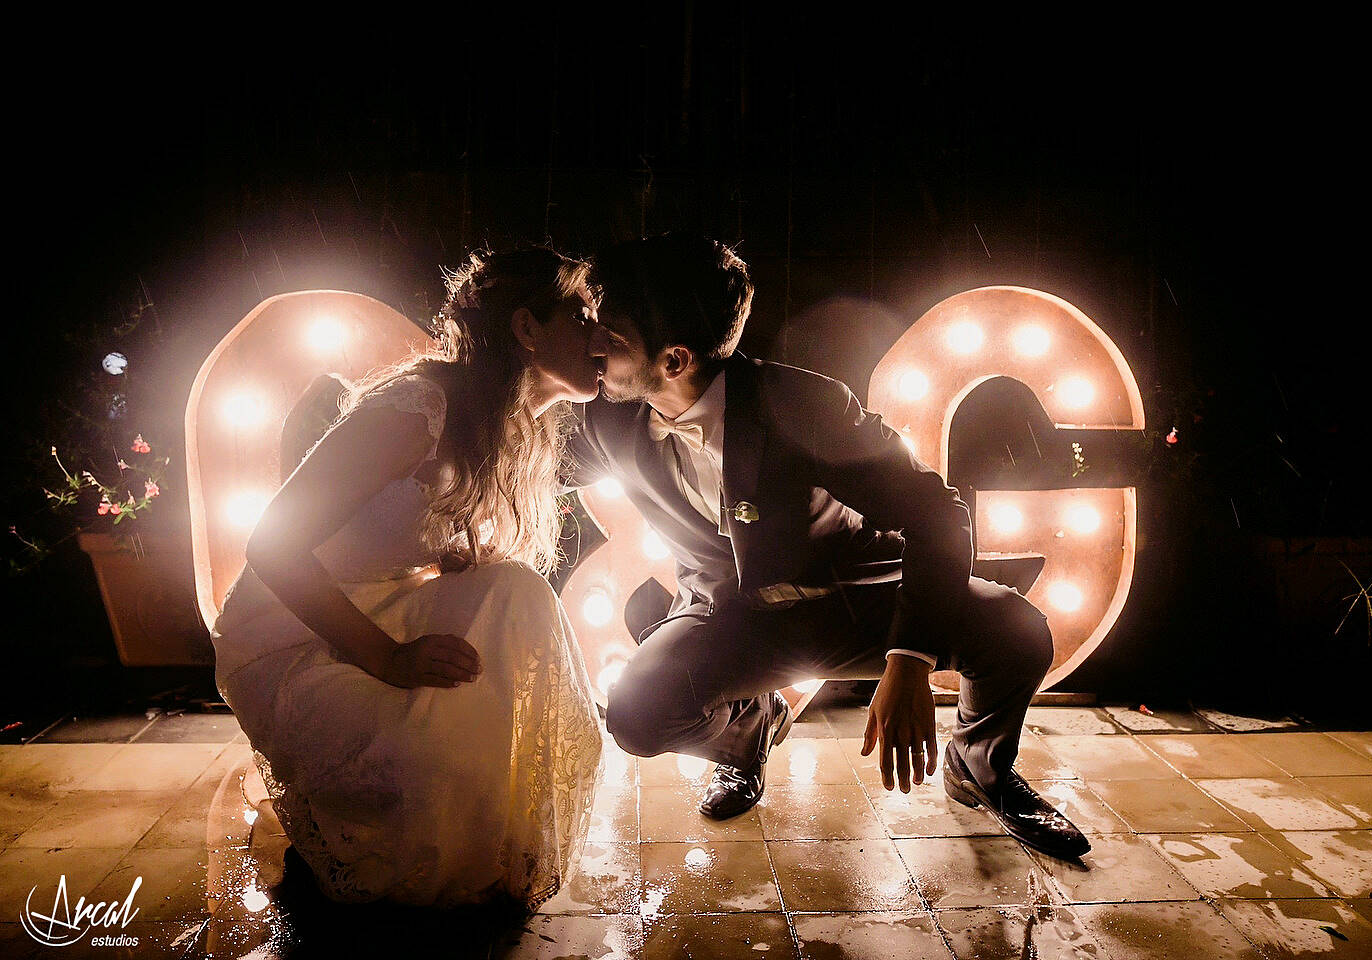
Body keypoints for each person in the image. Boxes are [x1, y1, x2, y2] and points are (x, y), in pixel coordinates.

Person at [568, 235, 1089, 859]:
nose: (592, 345)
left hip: (858, 602)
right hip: (730, 616)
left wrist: (910, 660)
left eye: (612, 337)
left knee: (1019, 629)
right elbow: (526, 457)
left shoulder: (801, 403)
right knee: (635, 714)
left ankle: (982, 767)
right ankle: (747, 733)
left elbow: (936, 512)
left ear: (675, 359)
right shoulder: (602, 416)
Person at [211, 247, 605, 908]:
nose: (600, 333)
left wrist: (448, 557)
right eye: (582, 314)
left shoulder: (509, 424)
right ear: (526, 329)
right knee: (429, 765)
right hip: (294, 633)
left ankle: (480, 852)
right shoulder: (415, 409)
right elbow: (272, 545)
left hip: (393, 604)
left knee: (517, 593)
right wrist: (389, 659)